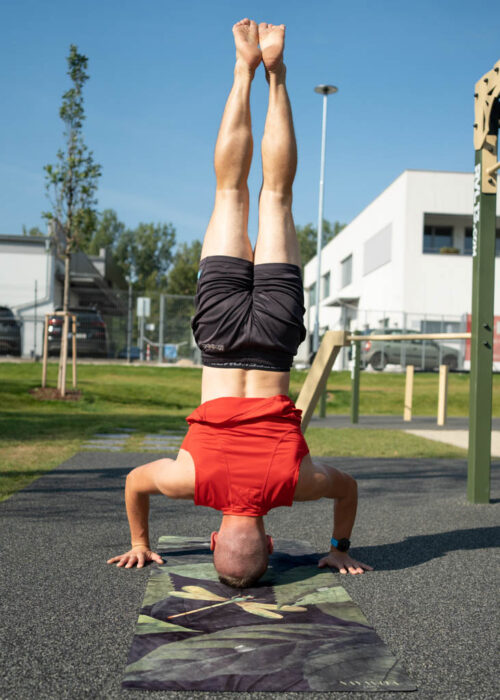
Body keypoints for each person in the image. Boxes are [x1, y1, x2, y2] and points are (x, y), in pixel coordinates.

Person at [107, 19, 373, 587]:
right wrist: (138, 542)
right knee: (229, 191)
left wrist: (339, 548)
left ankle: (276, 75)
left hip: (275, 342)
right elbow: (133, 482)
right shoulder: (189, 480)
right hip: (221, 338)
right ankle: (244, 68)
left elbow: (348, 489)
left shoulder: (296, 484)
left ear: (271, 540)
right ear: (211, 537)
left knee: (276, 197)